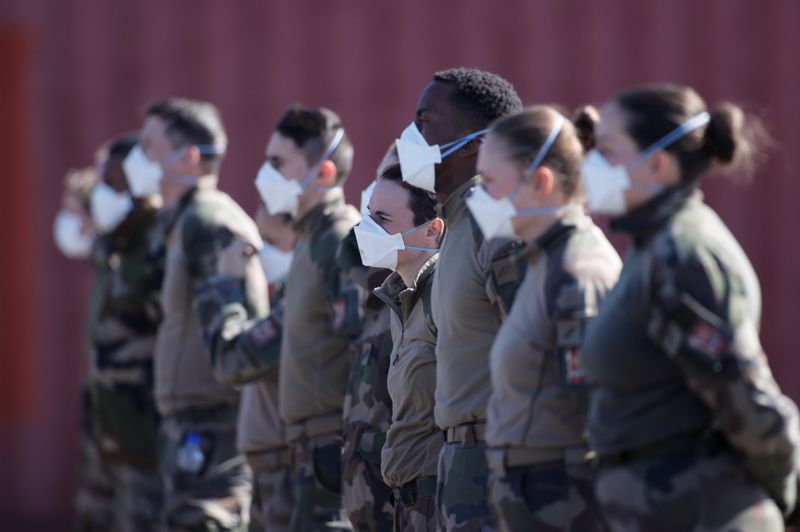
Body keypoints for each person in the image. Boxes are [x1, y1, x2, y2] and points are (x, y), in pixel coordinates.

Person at [580, 83, 800, 531]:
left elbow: (742, 394)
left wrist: (787, 497)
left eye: (606, 151)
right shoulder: (648, 248)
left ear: (656, 163)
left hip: (704, 512)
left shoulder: (682, 253)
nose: (590, 165)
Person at [466, 106, 620, 531]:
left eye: (490, 183)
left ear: (540, 183)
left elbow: (595, 408)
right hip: (532, 491)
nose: (479, 197)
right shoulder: (543, 263)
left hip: (561, 497)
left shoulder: (575, 273)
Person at [397, 67, 522, 530]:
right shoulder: (457, 225)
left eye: (425, 121)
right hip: (456, 462)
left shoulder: (496, 227)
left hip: (496, 461)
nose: (410, 136)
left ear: (475, 142)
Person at [137, 98, 267, 531]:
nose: (142, 158)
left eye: (149, 145)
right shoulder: (184, 221)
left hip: (213, 422)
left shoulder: (207, 222)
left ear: (188, 157)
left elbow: (236, 328)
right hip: (192, 421)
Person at [255, 105, 362, 530]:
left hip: (330, 444)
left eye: (278, 163)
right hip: (305, 443)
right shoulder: (308, 237)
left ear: (322, 172)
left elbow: (363, 345)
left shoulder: (338, 237)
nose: (266, 174)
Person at [193, 205, 298, 532]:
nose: (261, 255)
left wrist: (227, 285)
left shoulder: (306, 294)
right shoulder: (288, 293)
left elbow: (233, 361)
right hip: (269, 464)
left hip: (290, 464)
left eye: (271, 241)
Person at [85, 132, 166, 531]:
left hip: (147, 418)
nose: (101, 193)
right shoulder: (116, 244)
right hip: (110, 411)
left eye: (111, 182)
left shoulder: (160, 241)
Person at [359, 163, 443, 531]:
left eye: (383, 218)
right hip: (410, 500)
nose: (368, 229)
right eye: (368, 216)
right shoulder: (399, 296)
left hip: (444, 497)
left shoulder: (447, 294)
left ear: (431, 230)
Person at [339, 145, 400, 532]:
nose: (376, 193)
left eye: (391, 180)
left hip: (406, 497)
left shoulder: (425, 291)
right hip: (365, 494)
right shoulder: (373, 282)